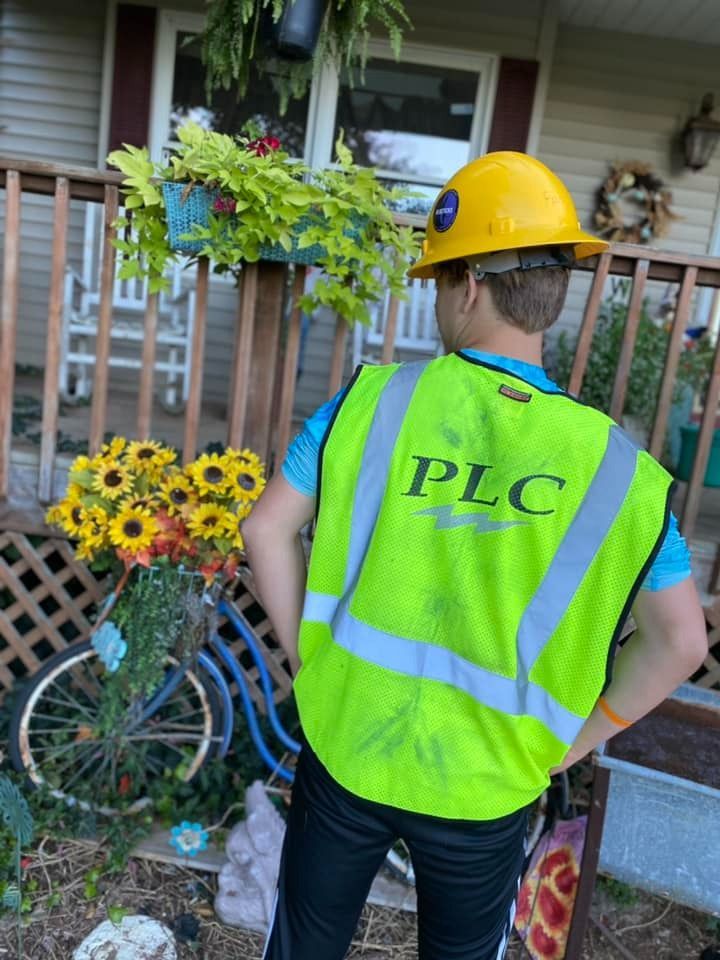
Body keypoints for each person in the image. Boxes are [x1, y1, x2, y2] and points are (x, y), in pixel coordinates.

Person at [242, 152, 708, 960]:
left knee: (305, 946)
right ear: (552, 295)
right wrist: (569, 741)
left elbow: (264, 531)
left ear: (466, 285)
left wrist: (313, 664)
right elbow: (681, 643)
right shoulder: (619, 474)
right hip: (490, 782)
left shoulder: (368, 403)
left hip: (348, 745)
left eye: (435, 281)